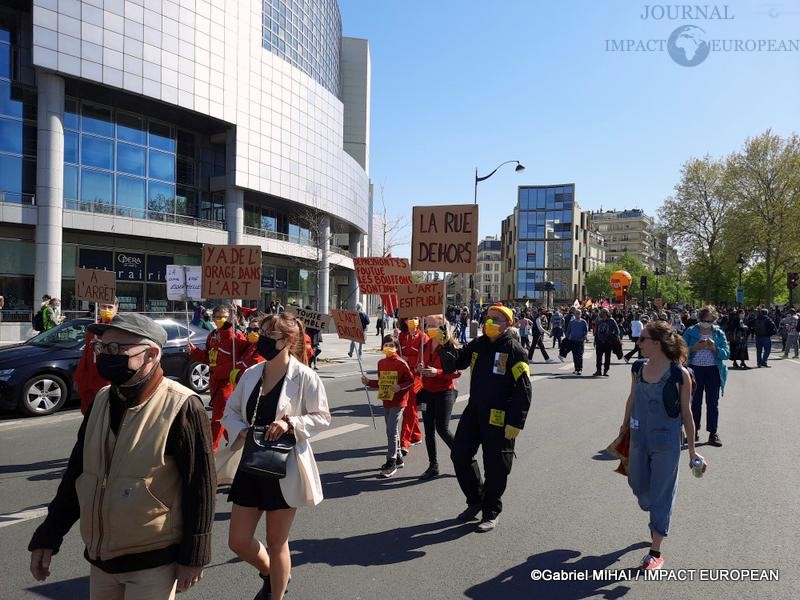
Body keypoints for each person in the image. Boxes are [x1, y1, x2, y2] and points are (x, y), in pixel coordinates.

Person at [28, 313, 215, 598]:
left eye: (118, 350)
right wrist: (49, 534)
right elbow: (78, 473)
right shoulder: (101, 399)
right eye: (102, 348)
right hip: (101, 559)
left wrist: (195, 555)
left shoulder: (182, 406)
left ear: (151, 355)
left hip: (154, 561)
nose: (106, 356)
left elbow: (200, 487)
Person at [223, 312, 330, 600]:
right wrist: (241, 431)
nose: (261, 339)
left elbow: (322, 417)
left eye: (270, 335)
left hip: (284, 466)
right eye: (260, 332)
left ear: (288, 340)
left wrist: (290, 423)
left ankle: (276, 594)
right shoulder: (250, 374)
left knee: (276, 540)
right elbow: (229, 412)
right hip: (250, 464)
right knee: (238, 541)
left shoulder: (305, 376)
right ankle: (272, 573)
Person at [619, 320, 705, 570]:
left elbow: (687, 414)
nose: (638, 343)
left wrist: (692, 451)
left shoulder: (680, 374)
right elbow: (632, 398)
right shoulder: (637, 368)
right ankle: (654, 512)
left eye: (643, 339)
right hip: (638, 437)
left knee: (662, 494)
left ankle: (655, 550)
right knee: (638, 486)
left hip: (667, 441)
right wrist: (623, 426)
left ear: (657, 343)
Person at [439, 304, 532, 532]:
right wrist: (445, 342)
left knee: (496, 467)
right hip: (474, 411)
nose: (490, 323)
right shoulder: (478, 344)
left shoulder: (514, 350)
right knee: (459, 455)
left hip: (500, 417)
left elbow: (524, 389)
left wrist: (515, 422)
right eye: (488, 318)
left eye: (496, 319)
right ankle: (476, 500)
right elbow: (455, 362)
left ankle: (491, 511)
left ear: (508, 324)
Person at [188, 304, 250, 451]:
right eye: (217, 316)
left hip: (228, 382)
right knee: (226, 417)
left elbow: (242, 360)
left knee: (219, 417)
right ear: (213, 318)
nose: (221, 319)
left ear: (231, 317)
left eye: (224, 316)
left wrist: (229, 327)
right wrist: (195, 352)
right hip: (214, 381)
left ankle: (210, 449)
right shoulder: (212, 336)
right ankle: (236, 445)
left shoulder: (236, 335)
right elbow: (209, 358)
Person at [362, 334, 414, 478]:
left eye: (392, 345)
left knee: (391, 431)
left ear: (397, 348)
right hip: (386, 400)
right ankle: (398, 458)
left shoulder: (401, 363)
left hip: (399, 401)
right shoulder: (381, 363)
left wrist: (400, 387)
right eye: (386, 345)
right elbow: (381, 382)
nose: (388, 348)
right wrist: (368, 382)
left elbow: (410, 381)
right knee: (392, 430)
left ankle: (391, 461)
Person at [416, 314, 460, 480]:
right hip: (427, 392)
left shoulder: (448, 346)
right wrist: (420, 368)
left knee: (442, 428)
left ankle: (462, 457)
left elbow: (456, 372)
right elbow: (421, 365)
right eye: (427, 325)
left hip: (444, 392)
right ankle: (433, 466)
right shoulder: (426, 344)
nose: (428, 328)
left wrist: (438, 373)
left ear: (441, 326)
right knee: (428, 430)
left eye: (431, 325)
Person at [683, 306, 729, 447]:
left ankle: (713, 433)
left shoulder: (719, 333)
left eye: (709, 321)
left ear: (714, 320)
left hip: (713, 371)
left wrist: (715, 348)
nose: (706, 323)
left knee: (712, 403)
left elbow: (727, 353)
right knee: (695, 403)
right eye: (703, 320)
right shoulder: (690, 332)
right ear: (699, 319)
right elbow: (681, 351)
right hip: (695, 370)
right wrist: (693, 348)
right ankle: (693, 431)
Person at [74, 298, 119, 414]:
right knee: (89, 414)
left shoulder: (119, 329)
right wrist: (78, 377)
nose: (106, 310)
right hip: (90, 380)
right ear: (99, 308)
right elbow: (86, 355)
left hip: (107, 381)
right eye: (104, 307)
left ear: (116, 308)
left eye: (110, 307)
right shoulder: (93, 328)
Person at [397, 316, 426, 454]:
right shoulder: (401, 336)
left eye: (414, 318)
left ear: (419, 320)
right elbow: (395, 354)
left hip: (416, 378)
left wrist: (409, 359)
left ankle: (404, 442)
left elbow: (423, 359)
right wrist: (393, 343)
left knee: (408, 408)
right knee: (411, 408)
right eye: (408, 318)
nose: (411, 320)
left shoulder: (423, 338)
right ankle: (416, 436)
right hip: (403, 376)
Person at [593, 308, 620, 377]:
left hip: (608, 341)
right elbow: (596, 331)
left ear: (607, 314)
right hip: (599, 341)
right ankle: (598, 370)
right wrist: (595, 340)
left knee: (607, 357)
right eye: (603, 313)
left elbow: (617, 330)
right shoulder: (598, 320)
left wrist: (614, 338)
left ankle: (606, 370)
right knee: (598, 357)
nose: (604, 314)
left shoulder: (611, 320)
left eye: (605, 313)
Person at [565, 308, 589, 375]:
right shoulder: (571, 322)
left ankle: (580, 369)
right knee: (574, 355)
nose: (578, 315)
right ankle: (576, 368)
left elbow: (586, 331)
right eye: (576, 313)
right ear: (574, 314)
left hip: (580, 341)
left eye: (579, 313)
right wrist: (568, 337)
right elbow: (568, 331)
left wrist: (584, 337)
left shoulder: (583, 322)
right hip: (573, 341)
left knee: (580, 355)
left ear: (581, 314)